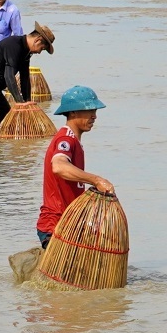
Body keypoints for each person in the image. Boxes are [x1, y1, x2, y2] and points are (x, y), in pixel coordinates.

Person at [36, 86, 115, 247]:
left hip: (69, 225)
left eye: (95, 111)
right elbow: (59, 166)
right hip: (55, 225)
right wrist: (96, 180)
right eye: (89, 110)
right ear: (72, 112)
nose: (94, 116)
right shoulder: (66, 139)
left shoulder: (74, 142)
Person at [0, 22, 53, 139]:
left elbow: (24, 77)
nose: (39, 52)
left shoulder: (26, 52)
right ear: (37, 40)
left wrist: (27, 101)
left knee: (8, 123)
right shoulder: (14, 45)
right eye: (42, 49)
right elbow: (9, 77)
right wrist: (19, 102)